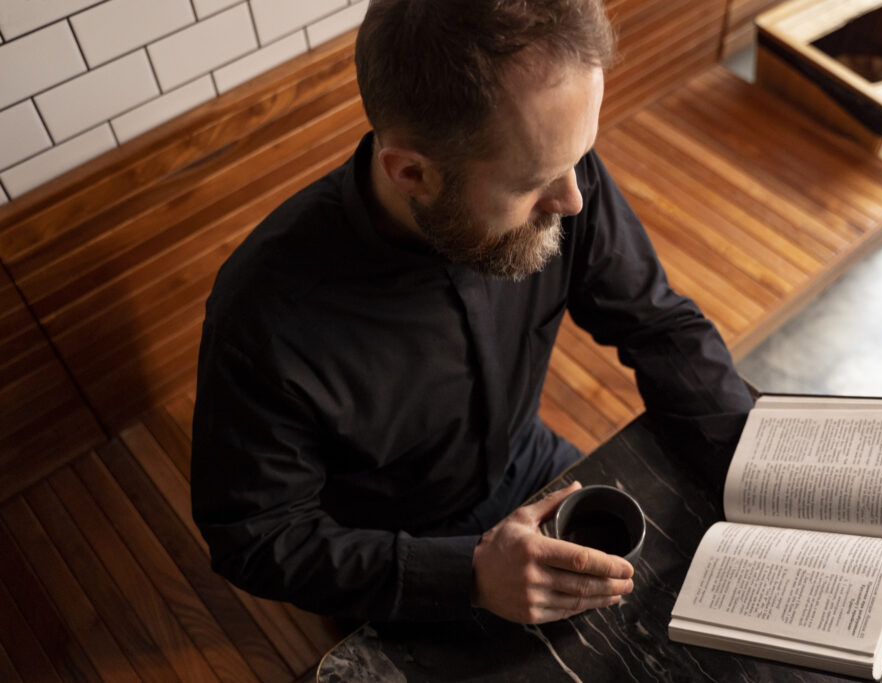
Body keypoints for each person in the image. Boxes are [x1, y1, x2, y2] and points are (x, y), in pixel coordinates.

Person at [191, 0, 753, 627]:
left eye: (579, 158)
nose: (573, 199)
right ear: (412, 173)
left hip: (532, 467)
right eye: (535, 182)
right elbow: (254, 534)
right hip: (392, 555)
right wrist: (469, 578)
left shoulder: (556, 170)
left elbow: (658, 323)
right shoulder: (265, 316)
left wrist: (753, 465)